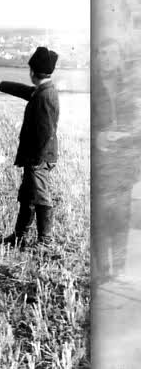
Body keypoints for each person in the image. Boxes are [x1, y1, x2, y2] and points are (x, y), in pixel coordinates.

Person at [0, 47, 60, 248]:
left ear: (33, 72)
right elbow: (25, 91)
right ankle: (19, 237)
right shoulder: (44, 90)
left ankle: (45, 241)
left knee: (41, 196)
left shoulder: (45, 96)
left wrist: (36, 161)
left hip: (39, 158)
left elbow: (46, 133)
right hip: (35, 157)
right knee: (27, 196)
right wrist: (1, 84)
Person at [91, 37, 141, 283]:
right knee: (100, 219)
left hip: (123, 164)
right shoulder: (93, 86)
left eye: (112, 54)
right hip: (100, 165)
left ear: (120, 57)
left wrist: (128, 135)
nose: (107, 59)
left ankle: (118, 269)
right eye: (103, 54)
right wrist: (97, 136)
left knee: (121, 217)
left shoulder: (129, 88)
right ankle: (103, 270)